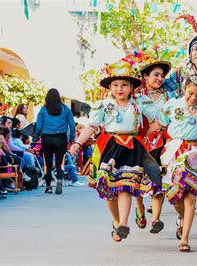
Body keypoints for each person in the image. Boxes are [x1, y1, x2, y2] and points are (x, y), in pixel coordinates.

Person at [70, 59, 160, 242]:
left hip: (133, 148)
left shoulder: (140, 103)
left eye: (124, 85)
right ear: (110, 87)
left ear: (131, 87)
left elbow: (160, 118)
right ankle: (117, 222)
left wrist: (147, 133)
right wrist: (78, 143)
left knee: (126, 185)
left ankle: (124, 224)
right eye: (116, 85)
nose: (120, 89)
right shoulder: (103, 105)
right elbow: (92, 126)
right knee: (109, 191)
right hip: (110, 148)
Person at [158, 75, 197, 252]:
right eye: (190, 93)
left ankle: (185, 238)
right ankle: (183, 218)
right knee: (174, 196)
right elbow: (160, 124)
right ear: (184, 89)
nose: (193, 98)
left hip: (195, 152)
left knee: (190, 196)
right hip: (174, 150)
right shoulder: (172, 105)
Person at [127, 52, 172, 234]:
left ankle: (156, 219)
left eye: (162, 75)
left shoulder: (170, 96)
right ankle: (139, 210)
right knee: (136, 178)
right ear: (145, 76)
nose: (160, 78)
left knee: (158, 180)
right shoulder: (135, 96)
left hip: (163, 142)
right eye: (156, 75)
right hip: (141, 142)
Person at [35, 88, 76, 194]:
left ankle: (48, 186)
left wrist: (36, 135)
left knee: (47, 163)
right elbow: (72, 124)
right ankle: (59, 180)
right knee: (60, 162)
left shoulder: (43, 109)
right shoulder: (65, 109)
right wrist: (72, 138)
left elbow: (39, 125)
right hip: (61, 138)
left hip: (47, 138)